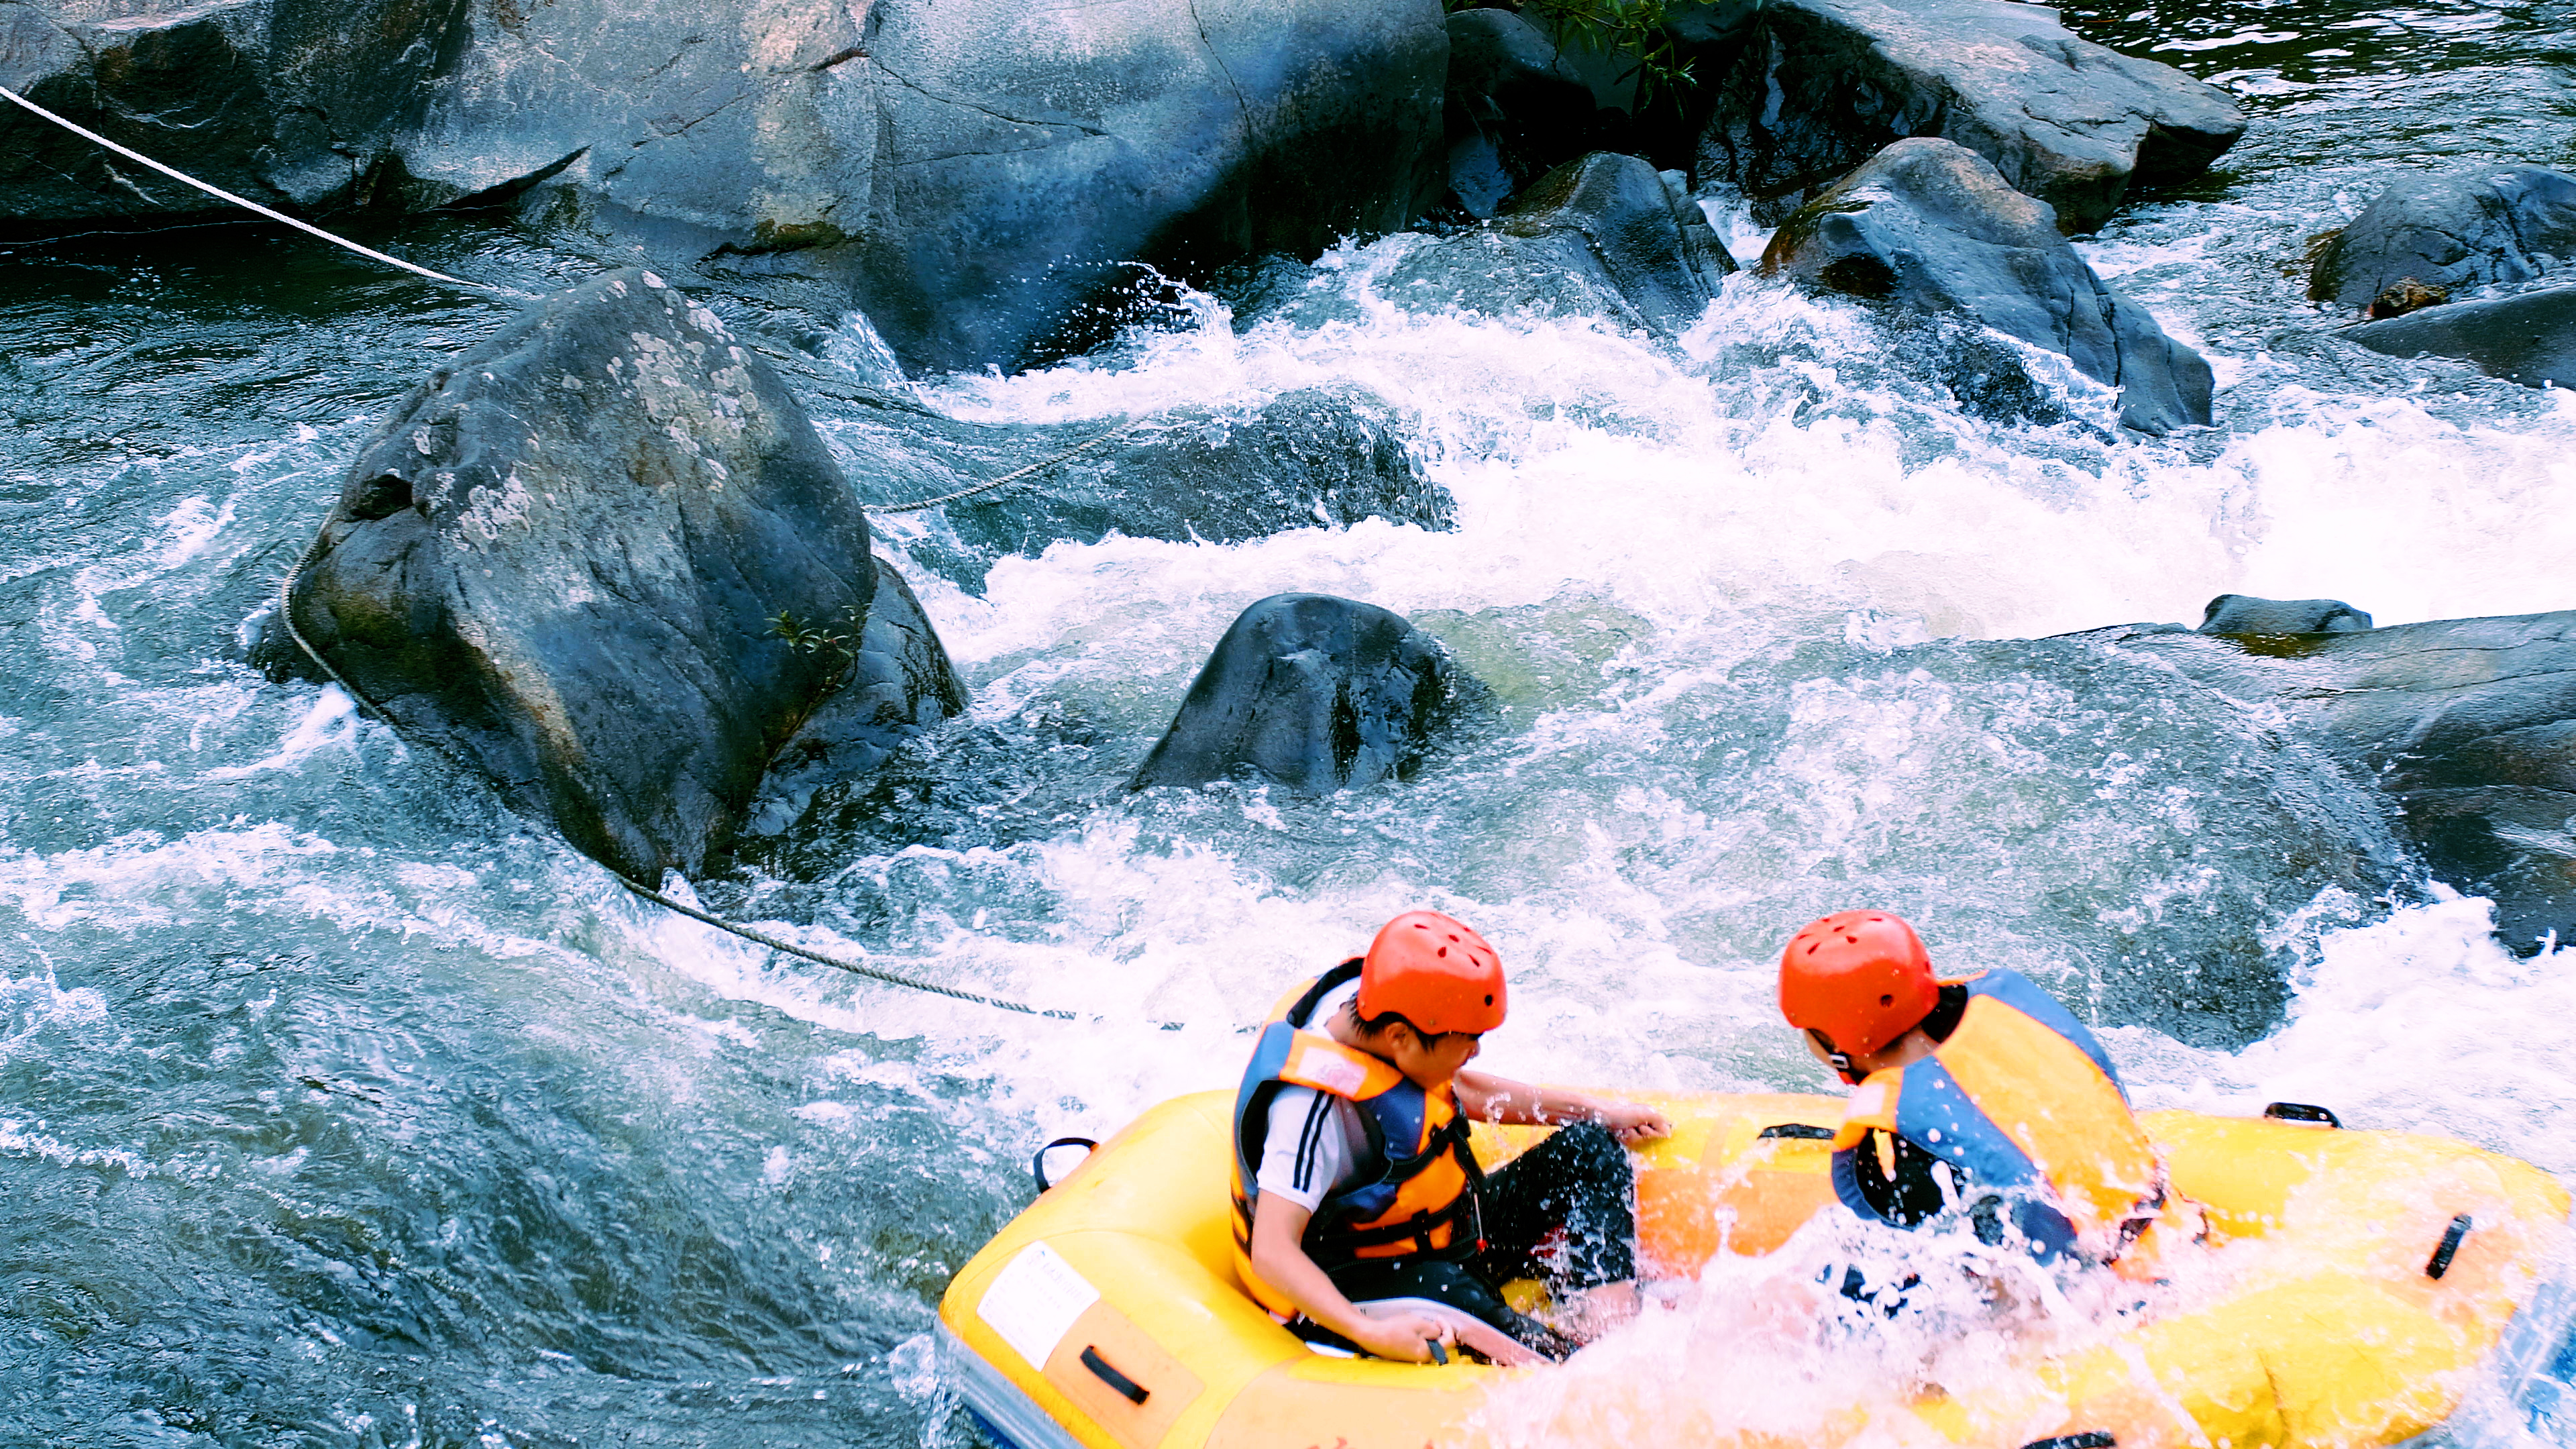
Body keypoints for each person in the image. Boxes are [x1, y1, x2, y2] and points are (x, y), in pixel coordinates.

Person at [1229, 910, 1671, 1366]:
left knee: (1590, 1148)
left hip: (1449, 1230)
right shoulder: (1309, 1112)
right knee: (1467, 1300)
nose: (1475, 1050)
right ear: (1401, 1037)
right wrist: (1371, 1333)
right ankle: (1593, 1367)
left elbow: (1462, 1087)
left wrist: (1601, 1113)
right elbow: (1272, 1251)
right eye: (1467, 1040)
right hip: (1367, 1272)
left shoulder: (1381, 1011)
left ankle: (1612, 1328)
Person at [1777, 910, 2203, 1278]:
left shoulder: (1897, 1120)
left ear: (1834, 1039)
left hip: (2102, 1294)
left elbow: (1921, 1241)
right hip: (2174, 1226)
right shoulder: (2003, 1001)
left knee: (1849, 1281)